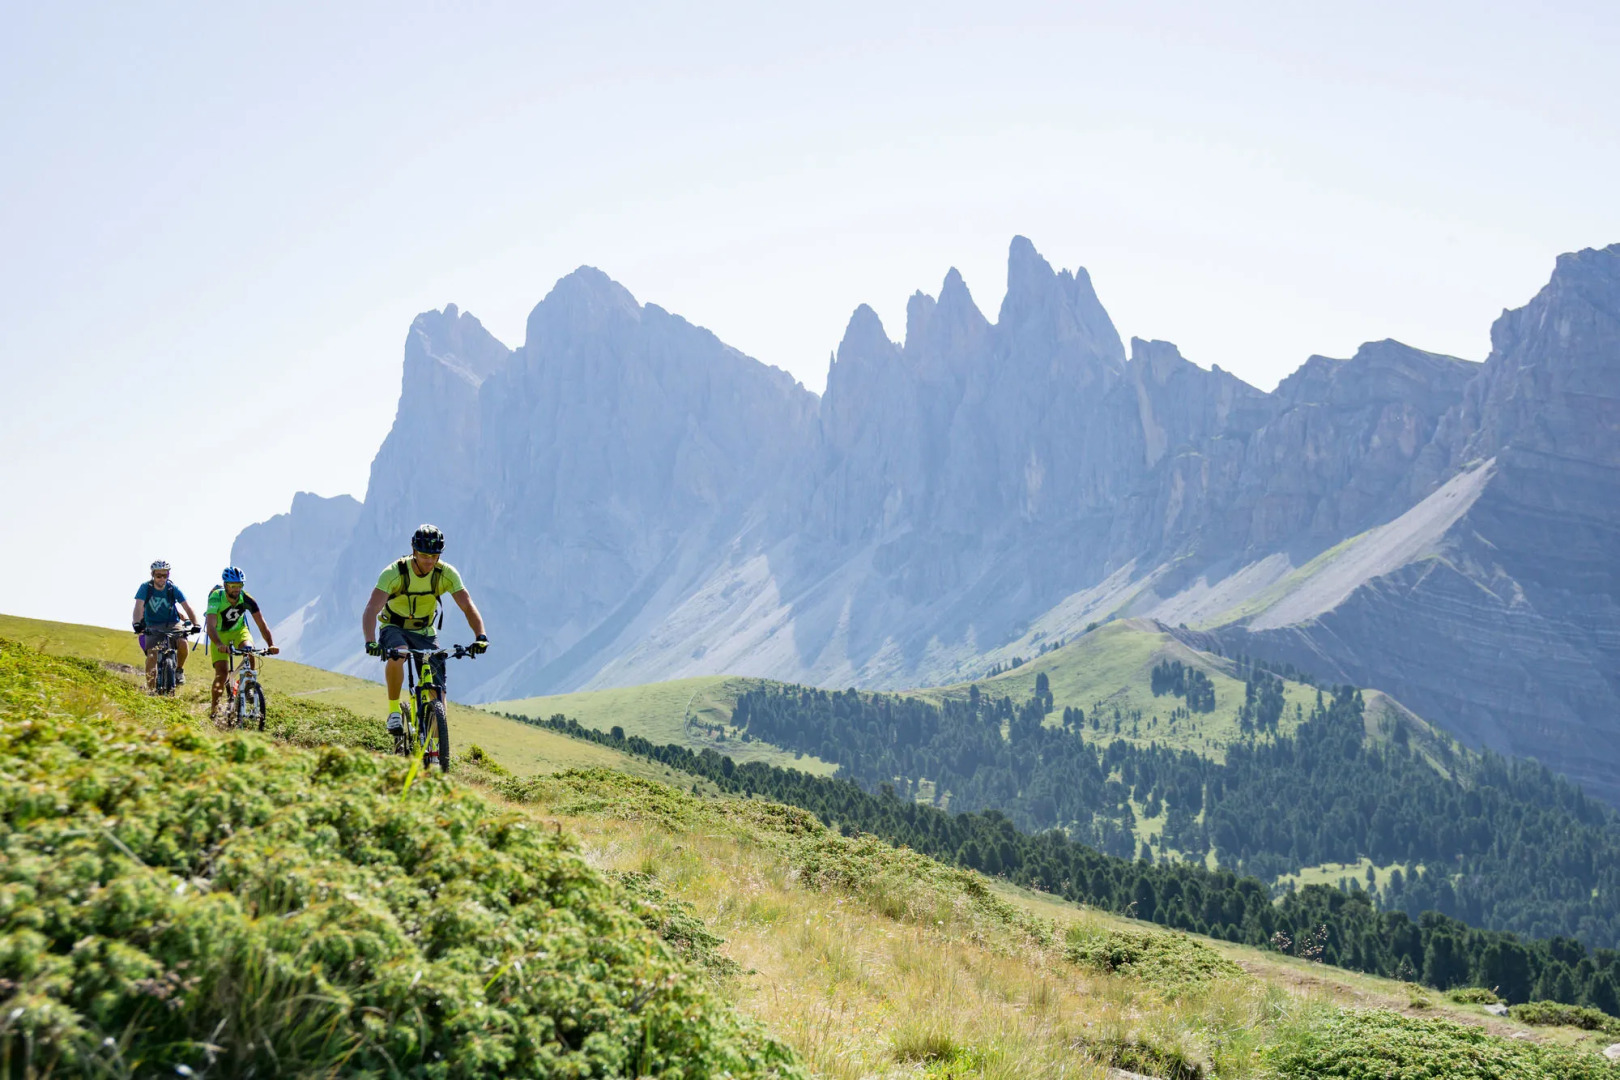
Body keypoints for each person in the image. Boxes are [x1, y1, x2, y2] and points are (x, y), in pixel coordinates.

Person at [360, 524, 488, 735]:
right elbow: (372, 608)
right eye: (424, 555)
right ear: (414, 551)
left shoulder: (446, 574)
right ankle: (393, 712)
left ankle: (437, 751)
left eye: (434, 556)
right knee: (398, 653)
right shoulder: (394, 573)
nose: (429, 561)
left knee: (437, 693)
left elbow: (467, 605)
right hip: (394, 627)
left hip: (425, 631)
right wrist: (370, 641)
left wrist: (480, 636)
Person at [206, 566, 279, 716]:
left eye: (239, 586)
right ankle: (214, 710)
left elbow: (261, 624)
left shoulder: (246, 599)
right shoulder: (216, 597)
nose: (236, 589)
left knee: (249, 651)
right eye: (233, 586)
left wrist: (270, 644)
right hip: (219, 634)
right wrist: (219, 644)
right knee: (221, 674)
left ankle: (248, 687)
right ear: (225, 585)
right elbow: (210, 625)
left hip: (239, 631)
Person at [132, 560, 200, 690]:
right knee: (152, 655)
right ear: (153, 575)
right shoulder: (145, 587)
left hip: (173, 623)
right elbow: (138, 606)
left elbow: (187, 606)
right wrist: (137, 623)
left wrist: (195, 624)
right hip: (153, 625)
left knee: (183, 643)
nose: (162, 579)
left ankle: (179, 670)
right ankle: (151, 690)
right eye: (159, 576)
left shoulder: (172, 589)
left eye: (165, 575)